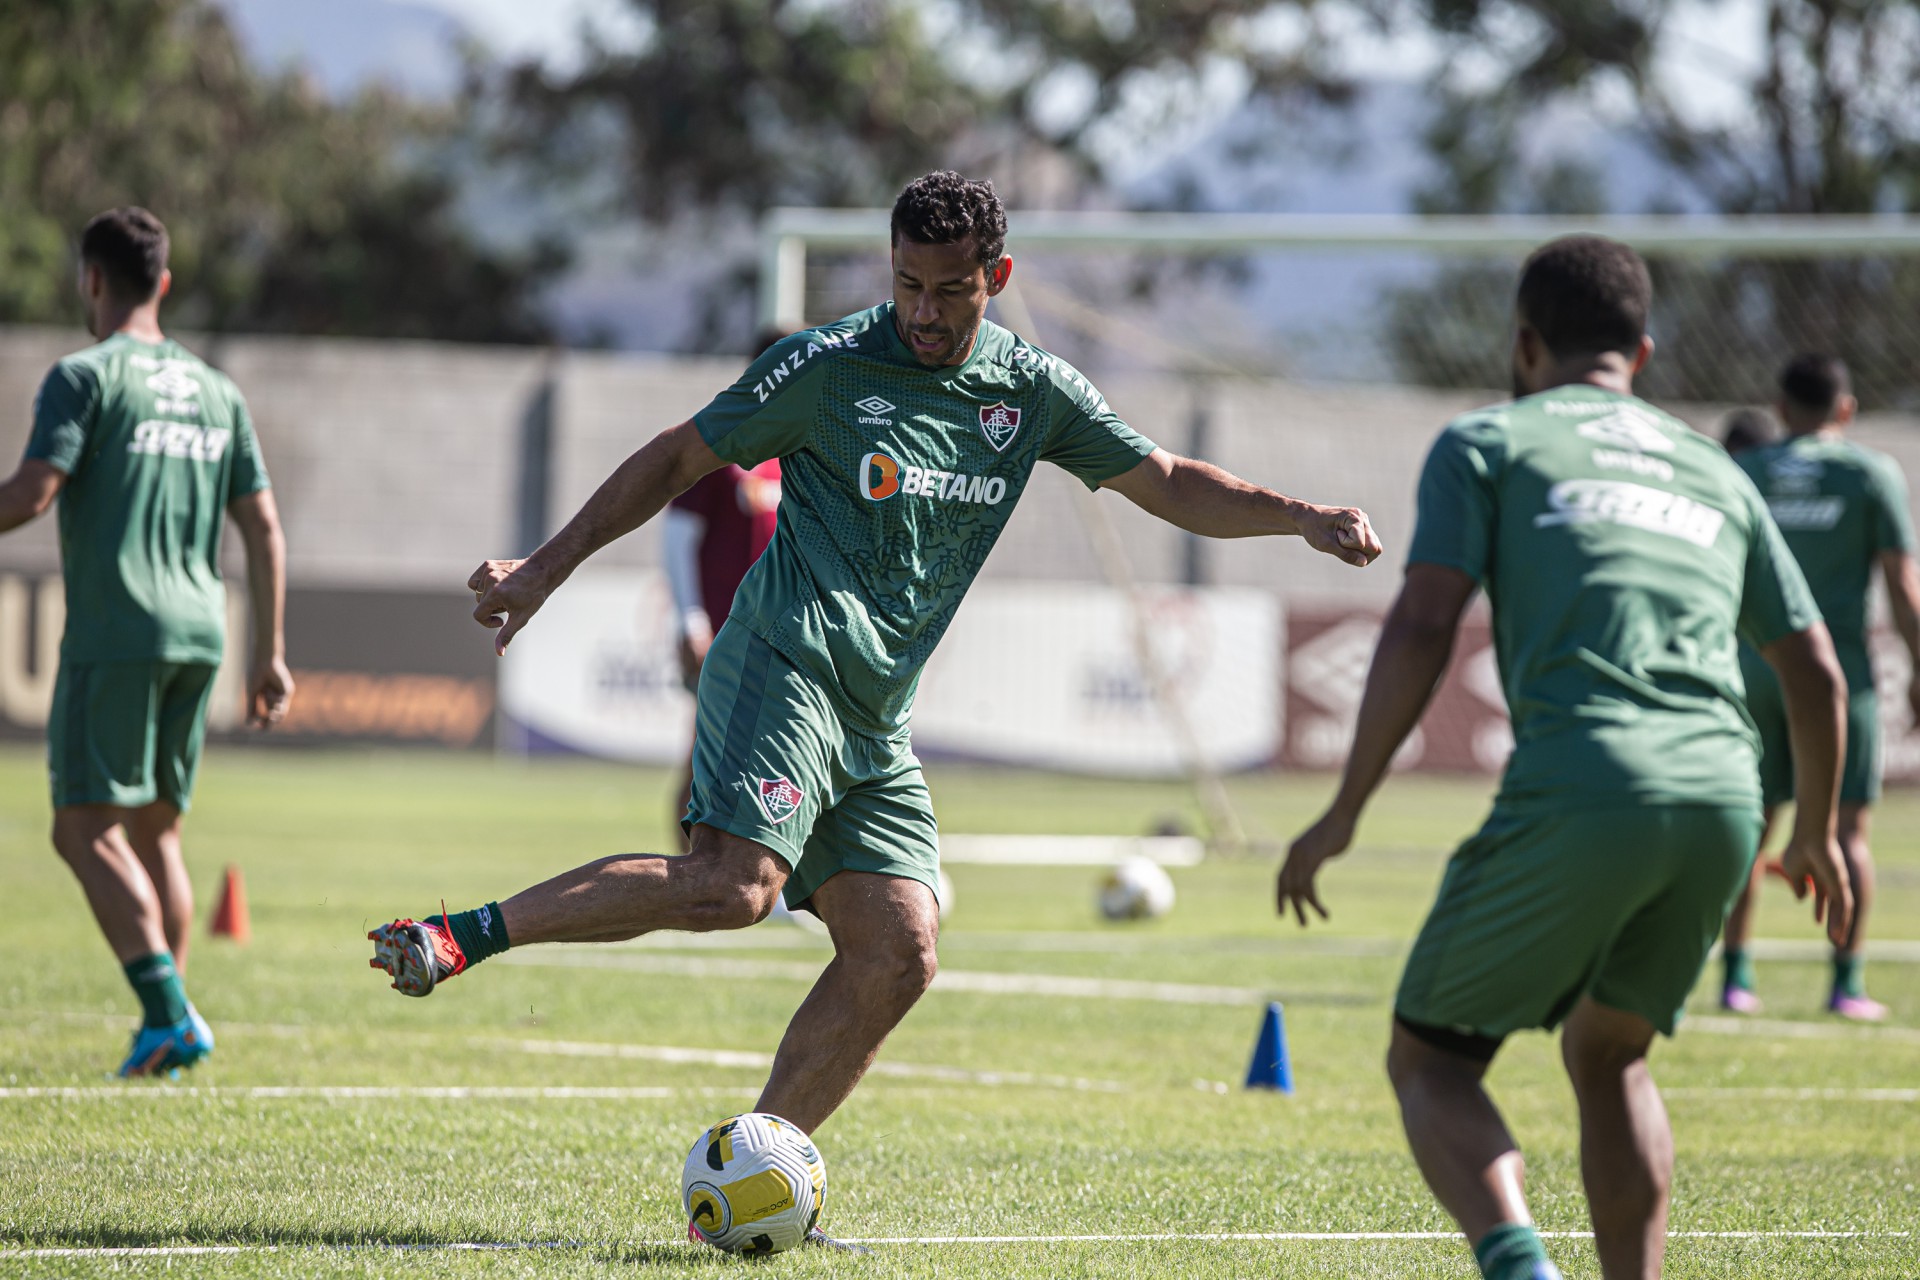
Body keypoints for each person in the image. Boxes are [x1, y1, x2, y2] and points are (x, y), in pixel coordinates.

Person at [369, 170, 1381, 1174]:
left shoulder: (1031, 391)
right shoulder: (828, 365)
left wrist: (1298, 517)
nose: (923, 312)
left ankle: (751, 1168)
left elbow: (1164, 480)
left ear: (998, 275)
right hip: (784, 660)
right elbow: (678, 457)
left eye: (948, 289)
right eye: (906, 284)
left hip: (876, 715)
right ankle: (465, 934)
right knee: (734, 888)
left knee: (900, 950)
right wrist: (544, 568)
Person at [1277, 236, 1851, 1280]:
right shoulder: (1715, 466)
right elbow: (1814, 667)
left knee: (1432, 1057)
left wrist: (1344, 808)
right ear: (1644, 349)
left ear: (1525, 344)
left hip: (1590, 777)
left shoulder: (1489, 442)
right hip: (1726, 790)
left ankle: (1520, 1264)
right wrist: (1810, 828)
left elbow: (1418, 627)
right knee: (1609, 1050)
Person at [0, 208, 292, 1077]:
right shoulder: (217, 390)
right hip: (203, 630)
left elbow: (30, 495)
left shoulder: (83, 377)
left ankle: (169, 1012)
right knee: (157, 830)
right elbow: (266, 528)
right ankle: (167, 1026)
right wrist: (270, 651)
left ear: (92, 280)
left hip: (118, 626)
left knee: (83, 831)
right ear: (163, 284)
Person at [1718, 355, 1920, 1020]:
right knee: (1848, 830)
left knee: (1749, 823)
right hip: (1839, 675)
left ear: (1780, 409)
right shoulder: (1870, 475)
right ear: (1846, 410)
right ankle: (1845, 984)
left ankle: (1736, 979)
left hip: (1752, 668)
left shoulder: (1746, 471)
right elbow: (1902, 588)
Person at [661, 329, 784, 851]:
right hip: (724, 633)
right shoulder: (725, 441)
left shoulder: (800, 448)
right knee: (707, 754)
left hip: (785, 636)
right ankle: (690, 864)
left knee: (780, 751)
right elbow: (676, 536)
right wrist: (690, 619)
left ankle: (772, 871)